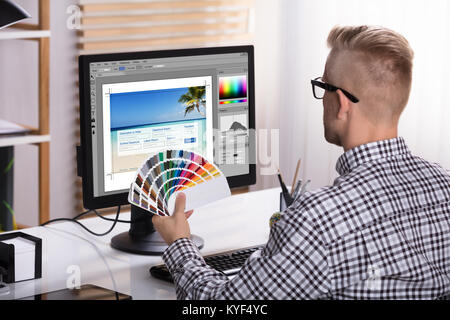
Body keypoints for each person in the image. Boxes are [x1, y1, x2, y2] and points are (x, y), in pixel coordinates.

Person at [152, 25, 450, 299]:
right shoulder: (444, 185)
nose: (322, 98)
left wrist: (180, 242)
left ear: (343, 103)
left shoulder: (318, 220)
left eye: (324, 87)